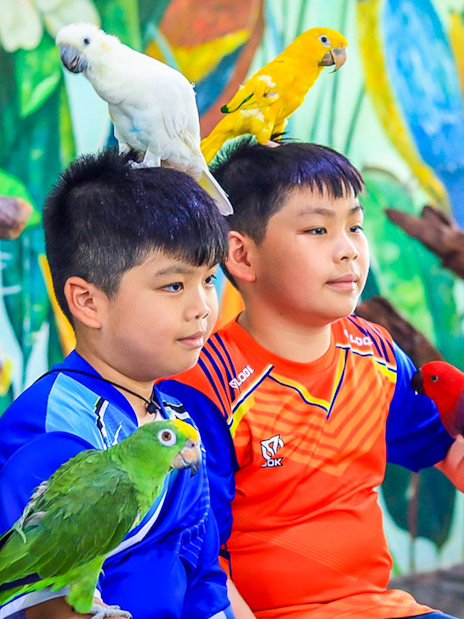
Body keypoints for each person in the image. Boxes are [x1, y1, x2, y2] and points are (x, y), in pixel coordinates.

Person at [160, 139, 464, 619]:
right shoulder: (204, 385)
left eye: (356, 226)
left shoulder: (377, 351)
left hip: (382, 608)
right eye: (318, 229)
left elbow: (445, 448)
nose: (348, 251)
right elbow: (199, 561)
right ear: (241, 255)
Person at [0, 149, 235, 619]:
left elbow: (205, 576)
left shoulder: (180, 426)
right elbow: (45, 603)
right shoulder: (50, 428)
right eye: (173, 286)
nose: (202, 307)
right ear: (88, 302)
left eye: (208, 279)